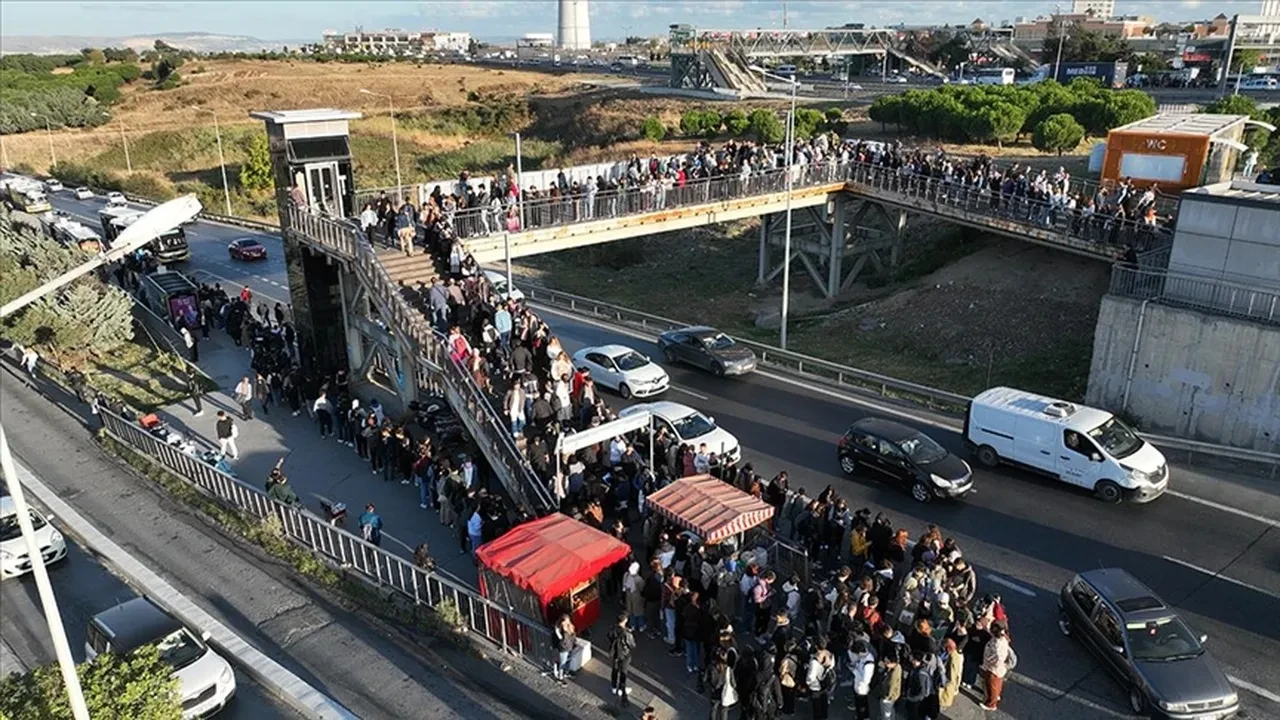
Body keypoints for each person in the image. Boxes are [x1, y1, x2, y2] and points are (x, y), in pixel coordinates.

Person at [980, 621, 1013, 711]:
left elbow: (996, 659)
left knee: (992, 686)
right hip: (998, 669)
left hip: (994, 669)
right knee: (997, 686)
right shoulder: (1003, 638)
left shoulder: (997, 645)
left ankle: (991, 704)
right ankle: (995, 697)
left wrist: (986, 662)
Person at [607, 611, 636, 702]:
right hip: (624, 654)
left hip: (615, 653)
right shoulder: (626, 633)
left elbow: (609, 637)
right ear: (625, 620)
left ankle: (614, 686)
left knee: (615, 669)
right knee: (623, 672)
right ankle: (621, 689)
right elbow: (632, 645)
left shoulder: (612, 629)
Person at [806, 635, 836, 720]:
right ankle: (825, 716)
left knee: (816, 705)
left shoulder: (814, 661)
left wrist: (809, 684)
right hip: (826, 683)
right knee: (824, 701)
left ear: (816, 646)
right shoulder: (830, 654)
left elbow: (810, 677)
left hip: (816, 686)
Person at [705, 647, 737, 720]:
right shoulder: (728, 669)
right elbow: (734, 684)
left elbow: (705, 679)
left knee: (713, 709)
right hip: (725, 693)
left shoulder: (711, 667)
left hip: (714, 691)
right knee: (724, 711)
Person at [848, 639, 876, 720]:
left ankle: (863, 717)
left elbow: (866, 680)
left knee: (861, 706)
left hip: (862, 689)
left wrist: (854, 671)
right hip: (858, 686)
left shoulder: (868, 664)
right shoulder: (864, 656)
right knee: (861, 705)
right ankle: (864, 717)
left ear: (859, 653)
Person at [937, 637, 964, 710]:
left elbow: (953, 674)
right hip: (947, 679)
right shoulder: (953, 654)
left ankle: (942, 705)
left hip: (948, 682)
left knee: (944, 696)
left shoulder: (954, 658)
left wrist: (946, 681)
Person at [552, 613, 576, 685]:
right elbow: (561, 639)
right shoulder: (559, 629)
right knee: (562, 663)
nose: (567, 622)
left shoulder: (569, 627)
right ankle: (560, 677)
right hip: (564, 648)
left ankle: (566, 672)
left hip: (570, 646)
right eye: (565, 621)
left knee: (568, 660)